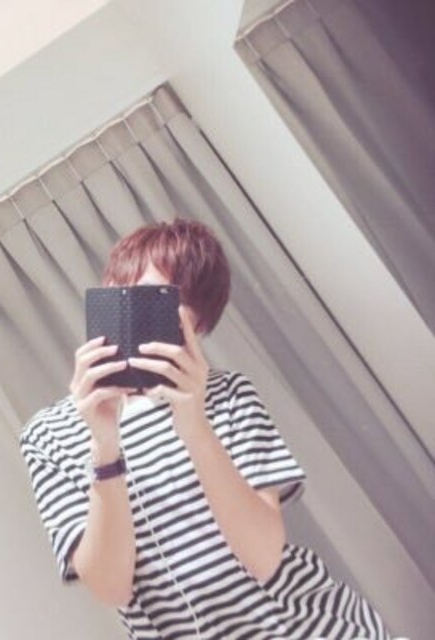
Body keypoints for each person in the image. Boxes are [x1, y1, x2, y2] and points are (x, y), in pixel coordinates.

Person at [20, 219, 391, 639]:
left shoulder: (228, 395)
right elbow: (111, 588)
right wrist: (104, 447)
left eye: (158, 304)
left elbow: (264, 557)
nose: (137, 316)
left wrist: (195, 426)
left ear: (195, 326)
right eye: (124, 293)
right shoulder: (50, 435)